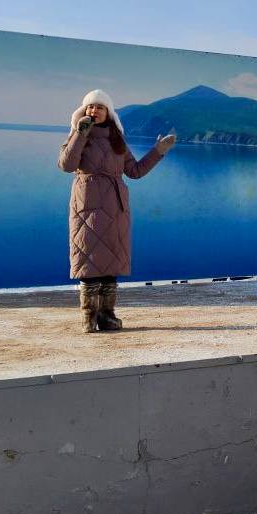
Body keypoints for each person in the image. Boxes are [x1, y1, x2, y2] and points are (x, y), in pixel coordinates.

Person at [58, 89, 176, 332]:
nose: (94, 110)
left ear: (109, 113)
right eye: (90, 106)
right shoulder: (78, 134)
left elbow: (135, 171)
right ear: (84, 110)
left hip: (115, 206)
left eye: (100, 107)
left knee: (111, 262)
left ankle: (107, 315)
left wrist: (158, 151)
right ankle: (89, 316)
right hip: (87, 205)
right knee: (89, 261)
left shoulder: (117, 139)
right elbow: (67, 165)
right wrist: (80, 133)